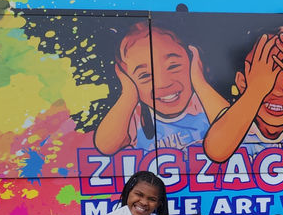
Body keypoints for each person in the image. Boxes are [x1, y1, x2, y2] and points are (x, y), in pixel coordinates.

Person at [94, 24, 228, 154]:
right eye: (144, 75)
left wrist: (200, 82)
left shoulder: (204, 102)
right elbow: (106, 146)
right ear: (127, 79)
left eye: (173, 66)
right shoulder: (137, 116)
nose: (163, 83)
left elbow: (233, 133)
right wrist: (129, 95)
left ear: (193, 60)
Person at [203, 29, 283, 162]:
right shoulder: (229, 124)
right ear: (242, 82)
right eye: (265, 77)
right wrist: (255, 91)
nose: (278, 91)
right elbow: (216, 151)